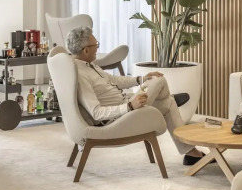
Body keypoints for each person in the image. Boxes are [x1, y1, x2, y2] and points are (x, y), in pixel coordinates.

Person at [68, 26, 206, 166]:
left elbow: (114, 80)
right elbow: (97, 113)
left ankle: (191, 153)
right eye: (96, 45)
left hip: (127, 103)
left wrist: (141, 79)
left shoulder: (90, 66)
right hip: (120, 117)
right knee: (160, 81)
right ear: (86, 50)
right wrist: (129, 106)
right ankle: (164, 97)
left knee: (166, 97)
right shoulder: (81, 75)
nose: (97, 48)